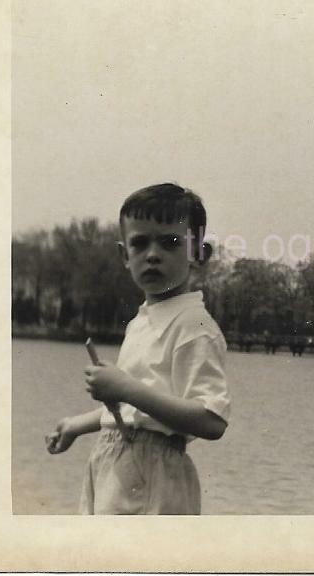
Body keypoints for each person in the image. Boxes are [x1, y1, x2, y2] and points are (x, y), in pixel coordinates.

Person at [45, 183, 231, 514]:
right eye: (140, 243)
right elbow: (135, 413)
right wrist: (77, 424)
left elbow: (212, 421)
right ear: (124, 256)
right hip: (113, 465)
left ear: (198, 255)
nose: (153, 254)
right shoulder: (142, 321)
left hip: (153, 475)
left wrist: (126, 388)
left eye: (171, 242)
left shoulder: (194, 326)